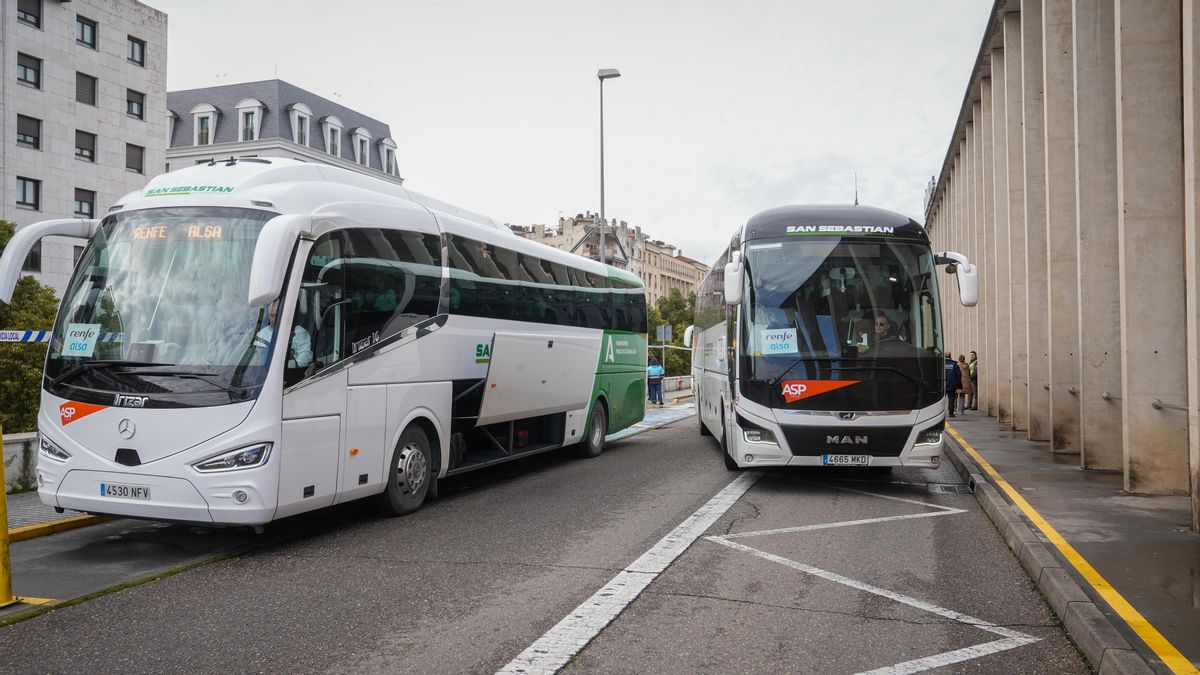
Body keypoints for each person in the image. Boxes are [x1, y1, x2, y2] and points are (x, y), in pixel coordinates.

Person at [254, 300, 312, 368]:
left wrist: (292, 365)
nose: (274, 319)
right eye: (272, 315)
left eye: (277, 315)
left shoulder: (299, 332)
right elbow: (256, 358)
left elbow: (305, 355)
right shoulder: (262, 334)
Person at [944, 352, 962, 417]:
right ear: (950, 356)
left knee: (941, 399)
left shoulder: (941, 364)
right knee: (951, 399)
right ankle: (951, 413)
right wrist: (960, 386)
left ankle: (940, 413)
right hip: (952, 385)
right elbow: (959, 375)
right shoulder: (955, 365)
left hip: (943, 385)